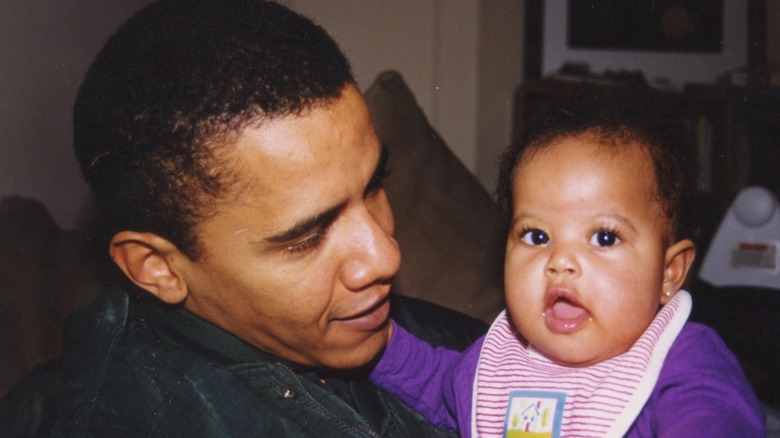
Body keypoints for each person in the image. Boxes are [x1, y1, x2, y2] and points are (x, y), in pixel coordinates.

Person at [0, 0, 487, 436]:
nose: (385, 256)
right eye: (308, 237)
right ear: (156, 267)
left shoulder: (472, 346)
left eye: (374, 186)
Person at [370, 87, 766, 437]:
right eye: (536, 236)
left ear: (669, 272)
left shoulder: (682, 363)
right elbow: (434, 378)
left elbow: (714, 418)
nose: (560, 261)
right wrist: (376, 342)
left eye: (604, 238)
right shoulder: (497, 365)